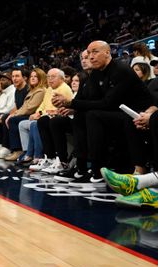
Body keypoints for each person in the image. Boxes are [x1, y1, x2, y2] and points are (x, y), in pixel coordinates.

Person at [52, 41, 156, 183]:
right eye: (88, 53)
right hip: (116, 111)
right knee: (80, 115)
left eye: (95, 52)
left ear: (107, 53)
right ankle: (81, 167)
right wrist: (72, 107)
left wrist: (72, 102)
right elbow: (91, 99)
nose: (90, 57)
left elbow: (107, 103)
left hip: (137, 112)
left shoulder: (121, 70)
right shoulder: (96, 73)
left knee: (93, 115)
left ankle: (97, 169)